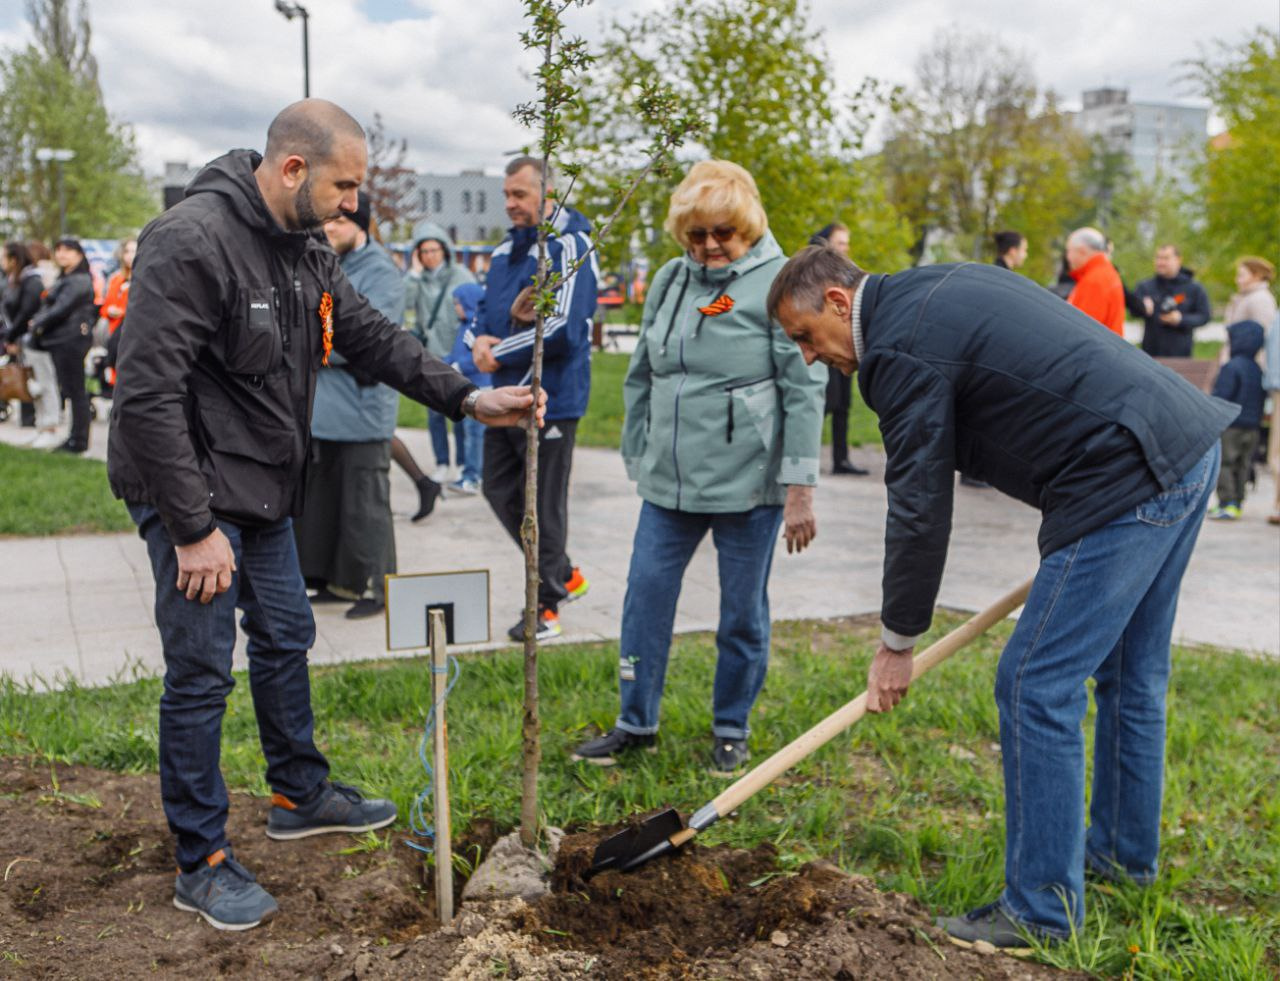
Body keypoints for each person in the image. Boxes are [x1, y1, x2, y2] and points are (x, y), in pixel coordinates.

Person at [107, 99, 543, 932]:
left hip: (263, 487)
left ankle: (298, 793)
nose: (353, 203)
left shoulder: (306, 248)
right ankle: (200, 859)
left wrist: (467, 396)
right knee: (201, 670)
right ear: (293, 168)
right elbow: (147, 395)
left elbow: (374, 337)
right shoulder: (191, 241)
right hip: (189, 491)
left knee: (286, 633)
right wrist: (193, 529)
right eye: (344, 186)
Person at [767, 247, 1235, 949]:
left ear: (837, 301)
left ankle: (1041, 910)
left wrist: (897, 640)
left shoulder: (895, 350)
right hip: (1183, 443)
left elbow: (920, 504)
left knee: (1034, 683)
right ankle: (1120, 860)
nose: (808, 357)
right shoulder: (936, 285)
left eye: (805, 336)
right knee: (1131, 673)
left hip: (1124, 477)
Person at [572, 160, 824, 775]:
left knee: (741, 614)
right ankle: (636, 721)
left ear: (747, 227)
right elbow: (643, 372)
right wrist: (638, 450)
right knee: (644, 598)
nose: (709, 246)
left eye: (722, 233)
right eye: (696, 234)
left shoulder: (778, 283)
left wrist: (799, 488)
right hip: (670, 482)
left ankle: (731, 726)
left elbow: (803, 389)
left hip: (750, 485)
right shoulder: (669, 280)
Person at [469, 156, 597, 641]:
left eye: (519, 194)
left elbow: (563, 328)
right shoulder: (505, 249)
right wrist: (477, 343)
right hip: (505, 397)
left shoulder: (570, 246)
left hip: (552, 398)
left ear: (549, 195)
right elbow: (483, 311)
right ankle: (563, 574)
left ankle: (546, 607)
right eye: (506, 194)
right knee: (497, 488)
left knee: (542, 506)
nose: (510, 203)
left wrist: (496, 353)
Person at [292, 192, 402, 618]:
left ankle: (378, 587)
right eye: (325, 221)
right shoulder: (324, 263)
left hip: (362, 412)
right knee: (324, 503)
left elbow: (367, 338)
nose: (329, 228)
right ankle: (336, 581)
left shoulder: (380, 272)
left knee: (365, 506)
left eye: (338, 221)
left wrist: (309, 342)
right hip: (322, 411)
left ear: (361, 224)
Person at [404, 221, 476, 482]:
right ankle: (442, 463)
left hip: (458, 354)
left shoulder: (461, 275)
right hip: (431, 355)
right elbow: (404, 302)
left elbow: (474, 312)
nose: (429, 256)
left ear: (444, 250)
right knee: (435, 414)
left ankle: (464, 465)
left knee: (462, 410)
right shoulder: (418, 280)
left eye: (434, 250)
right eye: (424, 251)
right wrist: (413, 273)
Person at [28, 238, 97, 453]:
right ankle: (75, 438)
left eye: (67, 250)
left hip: (71, 341)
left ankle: (78, 440)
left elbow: (60, 308)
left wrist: (37, 322)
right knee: (72, 390)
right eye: (58, 250)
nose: (62, 254)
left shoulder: (79, 280)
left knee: (76, 391)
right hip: (62, 340)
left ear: (79, 254)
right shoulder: (66, 278)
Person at [810, 222, 866, 476]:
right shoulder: (815, 271)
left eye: (847, 243)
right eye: (840, 242)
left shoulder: (847, 272)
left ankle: (841, 460)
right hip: (824, 345)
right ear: (827, 243)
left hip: (845, 344)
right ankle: (805, 455)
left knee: (843, 403)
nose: (845, 248)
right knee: (828, 401)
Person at [2, 242, 61, 447]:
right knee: (34, 385)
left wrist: (11, 336)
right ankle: (41, 427)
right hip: (25, 342)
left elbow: (26, 312)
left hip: (37, 342)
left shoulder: (32, 281)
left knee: (45, 383)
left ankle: (50, 427)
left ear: (14, 259)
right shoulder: (18, 280)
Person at [1207, 320, 1266, 520]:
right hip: (1253, 427)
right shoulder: (1257, 369)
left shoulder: (1231, 367)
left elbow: (1221, 396)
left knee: (1225, 463)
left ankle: (1227, 502)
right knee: (1244, 464)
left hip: (1231, 426)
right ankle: (1238, 502)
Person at [445, 282, 489, 494]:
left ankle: (473, 476)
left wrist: (459, 365)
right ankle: (466, 470)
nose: (456, 307)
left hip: (480, 385)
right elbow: (456, 353)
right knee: (462, 430)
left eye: (458, 303)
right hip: (464, 385)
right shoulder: (463, 325)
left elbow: (483, 356)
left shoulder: (478, 326)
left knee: (475, 434)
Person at [1133, 244, 1211, 358]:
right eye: (1158, 258)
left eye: (1166, 258)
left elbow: (1204, 316)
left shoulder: (1193, 288)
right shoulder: (1145, 287)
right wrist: (1141, 307)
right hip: (1151, 356)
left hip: (1181, 356)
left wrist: (1181, 319)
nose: (1161, 262)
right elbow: (1133, 312)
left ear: (1178, 260)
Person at [1064, 227, 1124, 334]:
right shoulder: (1104, 273)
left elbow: (1082, 331)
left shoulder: (1094, 281)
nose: (1067, 257)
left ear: (1082, 251)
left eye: (1069, 251)